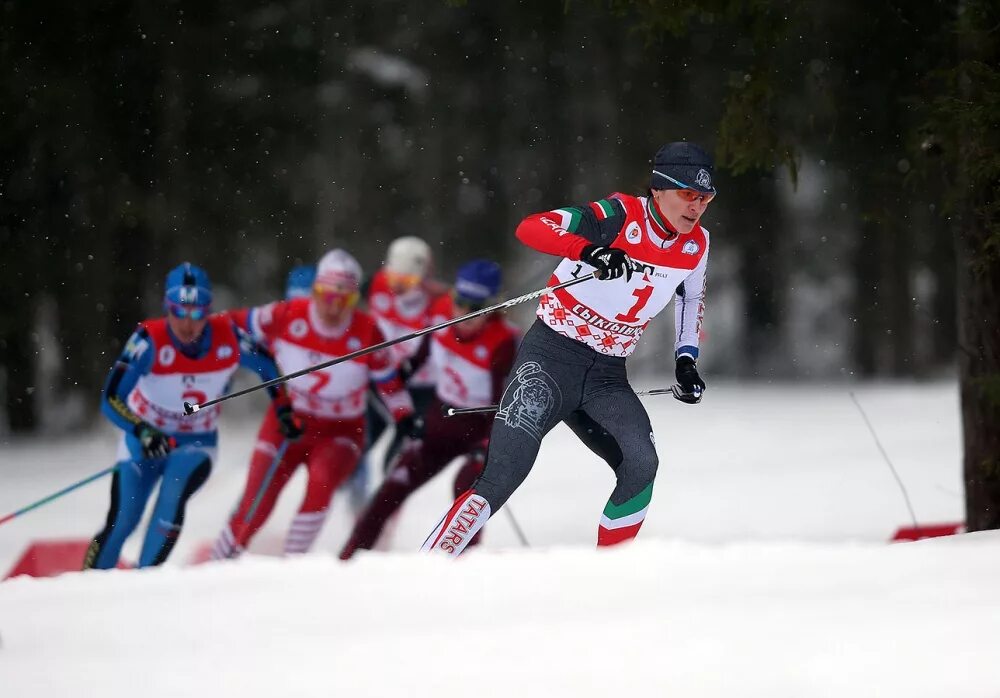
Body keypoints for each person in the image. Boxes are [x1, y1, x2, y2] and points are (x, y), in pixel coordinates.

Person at [421, 141, 714, 556]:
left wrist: (686, 360)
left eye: (704, 198)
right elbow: (531, 227)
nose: (696, 206)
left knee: (641, 465)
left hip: (607, 378)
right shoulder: (615, 216)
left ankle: (608, 575)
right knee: (503, 474)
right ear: (659, 189)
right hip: (550, 358)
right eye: (687, 194)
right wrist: (589, 250)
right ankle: (426, 567)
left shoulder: (696, 245)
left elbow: (691, 299)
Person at [210, 249, 418, 559]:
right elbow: (225, 326)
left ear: (353, 300)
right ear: (315, 290)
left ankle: (293, 566)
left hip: (340, 431)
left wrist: (404, 417)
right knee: (258, 498)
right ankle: (219, 562)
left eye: (343, 299)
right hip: (287, 421)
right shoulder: (286, 315)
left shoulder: (367, 331)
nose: (332, 307)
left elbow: (390, 383)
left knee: (321, 486)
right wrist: (238, 356)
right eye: (325, 295)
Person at [84, 263, 291, 569]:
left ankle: (144, 583)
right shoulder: (148, 340)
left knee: (172, 493)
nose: (188, 324)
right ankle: (85, 590)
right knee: (123, 520)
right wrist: (141, 430)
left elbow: (268, 365)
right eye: (179, 312)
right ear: (168, 307)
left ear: (207, 311)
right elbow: (111, 398)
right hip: (143, 440)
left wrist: (284, 408)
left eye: (197, 314)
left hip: (195, 444)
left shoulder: (228, 336)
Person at [339, 260, 519, 559]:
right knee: (390, 490)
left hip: (481, 431)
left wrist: (488, 446)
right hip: (441, 421)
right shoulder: (439, 318)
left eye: (477, 307)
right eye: (460, 302)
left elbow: (503, 403)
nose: (465, 314)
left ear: (492, 307)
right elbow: (412, 364)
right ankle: (347, 561)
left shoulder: (502, 340)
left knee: (465, 489)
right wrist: (399, 401)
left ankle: (462, 563)